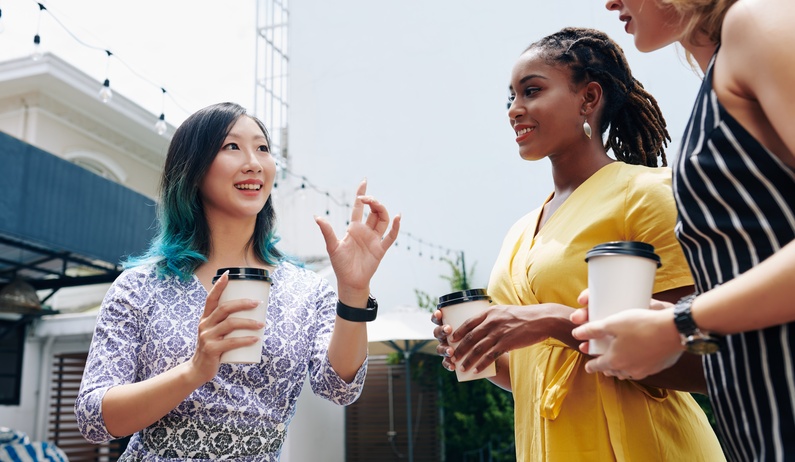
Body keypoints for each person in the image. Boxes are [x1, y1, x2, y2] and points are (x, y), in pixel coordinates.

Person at [431, 27, 724, 461]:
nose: (514, 109)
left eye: (532, 91)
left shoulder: (645, 195)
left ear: (589, 98)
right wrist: (478, 351)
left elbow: (704, 362)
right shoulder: (520, 232)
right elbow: (537, 372)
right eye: (510, 97)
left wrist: (552, 320)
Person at [74, 102, 400, 461]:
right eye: (232, 146)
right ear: (193, 169)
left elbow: (339, 388)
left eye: (262, 148)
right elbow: (94, 419)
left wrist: (354, 292)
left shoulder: (307, 291)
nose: (254, 163)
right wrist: (194, 370)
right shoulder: (139, 287)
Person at [571, 0, 795, 460]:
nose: (609, 2)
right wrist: (673, 319)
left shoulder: (758, 21)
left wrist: (680, 323)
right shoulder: (724, 68)